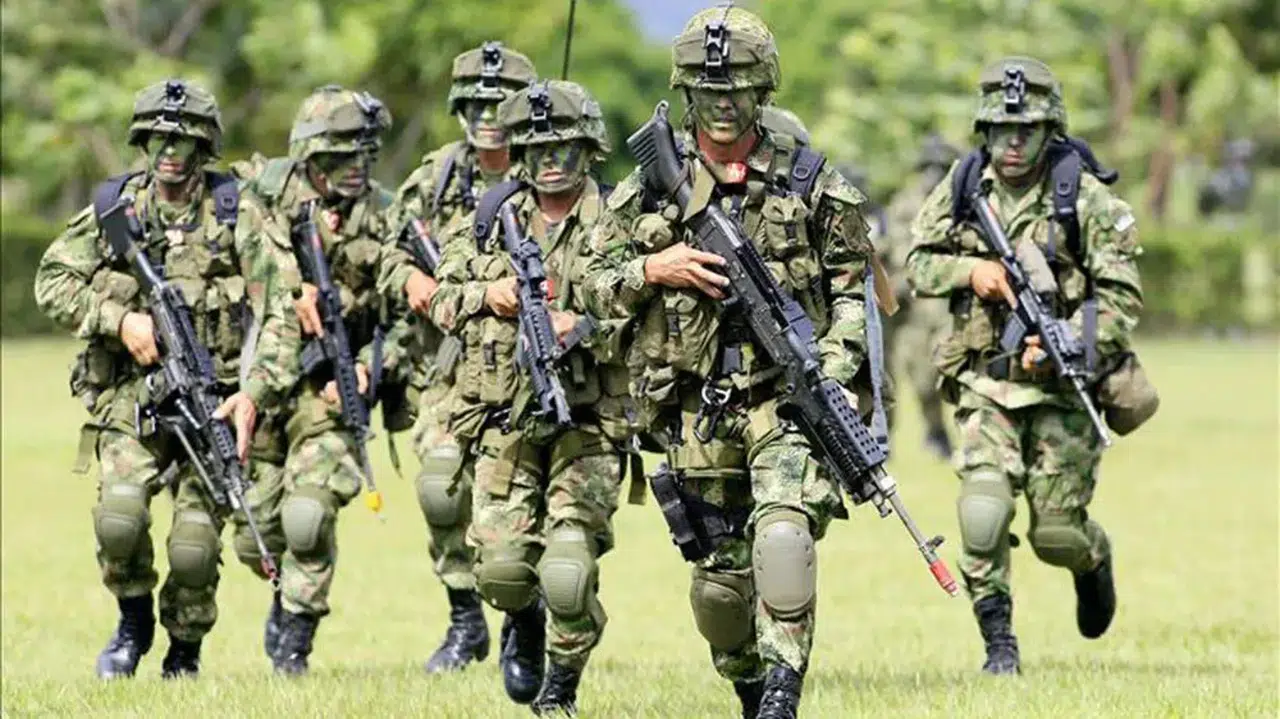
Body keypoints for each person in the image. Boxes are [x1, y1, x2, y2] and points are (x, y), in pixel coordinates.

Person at [582, 7, 885, 718]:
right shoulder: (648, 188)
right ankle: (751, 684)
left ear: (764, 91)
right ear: (686, 92)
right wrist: (653, 268)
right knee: (720, 593)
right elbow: (591, 285)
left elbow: (854, 295)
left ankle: (782, 695)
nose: (723, 105)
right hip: (694, 407)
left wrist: (829, 366)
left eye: (738, 91)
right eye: (708, 91)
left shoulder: (812, 182)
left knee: (782, 539)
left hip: (786, 398)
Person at [33, 79, 292, 679]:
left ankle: (185, 647)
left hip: (215, 402)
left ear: (205, 146)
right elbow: (51, 280)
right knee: (119, 518)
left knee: (195, 547)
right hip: (136, 397)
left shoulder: (236, 212)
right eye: (157, 139)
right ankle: (132, 621)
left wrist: (252, 395)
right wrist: (120, 320)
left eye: (183, 140)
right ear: (142, 142)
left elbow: (282, 311)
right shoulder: (116, 211)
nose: (170, 151)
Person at [907, 56, 1142, 675]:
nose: (1012, 144)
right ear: (984, 130)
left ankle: (1093, 562)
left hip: (1063, 389)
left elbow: (1122, 299)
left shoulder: (1084, 197)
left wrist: (1066, 339)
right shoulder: (964, 184)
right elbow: (917, 262)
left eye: (1026, 131)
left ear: (1049, 130)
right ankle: (1000, 647)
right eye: (1001, 130)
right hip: (986, 383)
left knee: (1056, 535)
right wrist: (972, 272)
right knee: (981, 515)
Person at [427, 79, 630, 715]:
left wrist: (584, 326)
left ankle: (560, 689)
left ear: (589, 149)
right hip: (504, 422)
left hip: (589, 423)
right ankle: (524, 617)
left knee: (567, 568)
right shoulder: (490, 218)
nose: (550, 160)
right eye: (536, 147)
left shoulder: (621, 219)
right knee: (502, 571)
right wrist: (488, 295)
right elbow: (439, 297)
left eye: (563, 146)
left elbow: (651, 313)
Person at [216, 84, 410, 675]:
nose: (355, 168)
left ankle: (295, 639)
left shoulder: (386, 214)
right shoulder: (260, 196)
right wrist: (290, 289)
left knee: (308, 515)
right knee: (253, 534)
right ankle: (285, 588)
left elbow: (407, 318)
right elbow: (244, 274)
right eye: (339, 157)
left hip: (331, 389)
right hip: (257, 379)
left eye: (363, 155)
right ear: (310, 155)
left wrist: (370, 365)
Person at [376, 41, 537, 674]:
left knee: (523, 499)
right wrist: (411, 280)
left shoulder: (548, 169)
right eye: (476, 105)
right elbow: (389, 253)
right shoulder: (435, 178)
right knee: (441, 489)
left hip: (528, 369)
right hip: (450, 369)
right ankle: (465, 618)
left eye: (500, 105)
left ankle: (525, 617)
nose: (488, 118)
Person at [881, 135, 962, 459]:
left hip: (950, 306)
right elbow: (889, 248)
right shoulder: (904, 205)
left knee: (953, 372)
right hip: (912, 309)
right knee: (921, 378)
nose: (933, 174)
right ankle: (935, 432)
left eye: (940, 168)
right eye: (928, 167)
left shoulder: (961, 204)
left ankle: (967, 436)